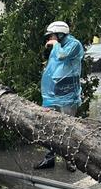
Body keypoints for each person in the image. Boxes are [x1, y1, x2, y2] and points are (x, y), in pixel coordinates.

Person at [34, 21, 84, 171]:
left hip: (68, 91)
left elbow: (63, 57)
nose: (50, 38)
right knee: (49, 126)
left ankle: (70, 160)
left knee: (67, 127)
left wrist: (55, 45)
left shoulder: (74, 44)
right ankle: (49, 158)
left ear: (60, 33)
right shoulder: (57, 46)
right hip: (53, 91)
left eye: (52, 35)